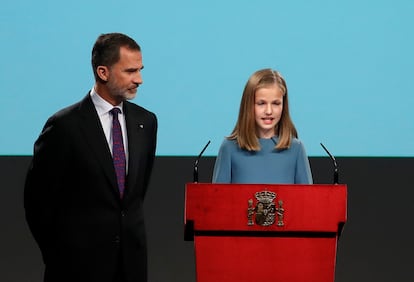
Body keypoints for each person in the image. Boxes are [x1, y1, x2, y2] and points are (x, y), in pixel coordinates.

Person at [24, 33, 157, 282]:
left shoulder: (146, 122)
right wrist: (59, 256)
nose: (139, 80)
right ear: (103, 72)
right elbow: (37, 202)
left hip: (131, 266)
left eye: (140, 70)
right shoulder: (64, 126)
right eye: (130, 71)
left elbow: (133, 196)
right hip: (76, 268)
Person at [212, 68, 312, 184]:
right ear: (248, 105)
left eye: (276, 103)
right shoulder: (229, 148)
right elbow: (217, 199)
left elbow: (307, 201)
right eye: (261, 103)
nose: (269, 111)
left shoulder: (296, 149)